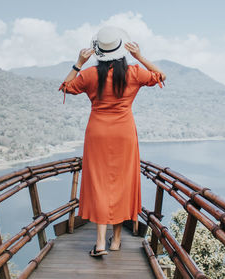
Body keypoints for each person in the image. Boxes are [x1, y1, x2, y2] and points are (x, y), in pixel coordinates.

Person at [59, 26, 166, 257]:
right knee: (121, 184)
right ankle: (116, 241)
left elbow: (66, 86)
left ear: (99, 52)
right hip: (124, 134)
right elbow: (161, 75)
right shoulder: (135, 73)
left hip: (97, 134)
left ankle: (99, 243)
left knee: (99, 184)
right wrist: (139, 56)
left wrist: (78, 62)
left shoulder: (89, 75)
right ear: (122, 50)